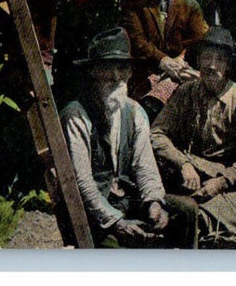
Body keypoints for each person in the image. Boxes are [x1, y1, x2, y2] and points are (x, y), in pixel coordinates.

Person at [60, 28, 186, 247]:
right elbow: (82, 183)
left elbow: (145, 166)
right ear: (93, 72)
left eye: (122, 69)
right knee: (118, 250)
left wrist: (154, 202)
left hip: (127, 199)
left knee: (186, 213)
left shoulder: (135, 111)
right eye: (108, 69)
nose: (116, 77)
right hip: (93, 210)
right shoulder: (77, 114)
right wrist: (117, 222)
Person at [150, 26, 236, 248]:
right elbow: (157, 133)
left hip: (226, 186)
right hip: (184, 179)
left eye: (219, 59)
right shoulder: (186, 92)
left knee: (226, 223)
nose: (212, 65)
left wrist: (222, 181)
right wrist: (183, 162)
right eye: (207, 57)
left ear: (228, 64)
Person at [121, 0, 208, 122]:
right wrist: (163, 61)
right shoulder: (135, 2)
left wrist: (180, 61)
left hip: (179, 75)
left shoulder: (189, 5)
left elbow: (200, 41)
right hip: (142, 75)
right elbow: (136, 39)